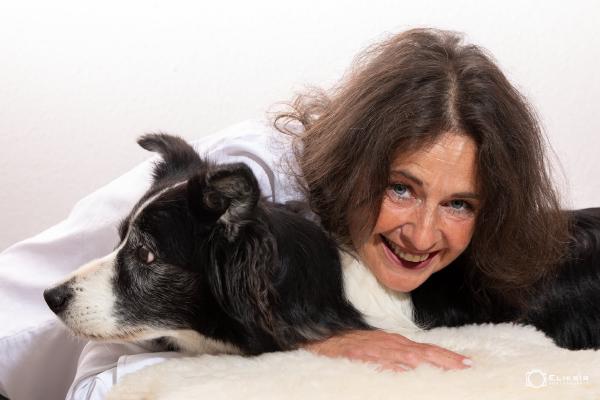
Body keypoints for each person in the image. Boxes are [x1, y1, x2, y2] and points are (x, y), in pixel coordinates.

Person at [0, 28, 570, 399]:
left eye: (458, 204)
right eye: (400, 189)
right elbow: (101, 376)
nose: (423, 234)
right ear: (357, 161)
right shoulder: (250, 181)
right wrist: (310, 339)